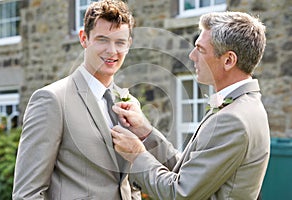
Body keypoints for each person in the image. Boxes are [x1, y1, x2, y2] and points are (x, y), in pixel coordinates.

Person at [111, 11, 270, 199]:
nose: (192, 56)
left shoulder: (232, 119)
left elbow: (180, 193)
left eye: (200, 49)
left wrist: (136, 155)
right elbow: (192, 173)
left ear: (228, 60)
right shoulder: (244, 105)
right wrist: (147, 133)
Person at [13, 0, 140, 199]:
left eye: (120, 42)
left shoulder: (129, 104)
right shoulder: (52, 100)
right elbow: (27, 193)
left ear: (129, 45)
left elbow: (128, 184)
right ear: (84, 38)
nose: (112, 51)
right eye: (102, 40)